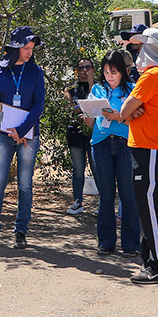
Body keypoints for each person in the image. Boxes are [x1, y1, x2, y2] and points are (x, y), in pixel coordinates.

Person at [121, 28, 158, 284]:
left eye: (141, 47)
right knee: (152, 208)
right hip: (156, 147)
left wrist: (132, 110)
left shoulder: (153, 75)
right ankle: (152, 262)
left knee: (153, 210)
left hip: (151, 148)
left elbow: (125, 110)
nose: (138, 52)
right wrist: (134, 109)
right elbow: (131, 110)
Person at [0, 26, 45, 249]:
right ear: (15, 48)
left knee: (25, 185)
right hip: (3, 134)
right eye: (26, 48)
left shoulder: (35, 72)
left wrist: (22, 130)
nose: (29, 52)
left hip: (28, 136)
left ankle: (21, 232)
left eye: (32, 48)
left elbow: (39, 104)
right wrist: (10, 130)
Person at [84, 50, 140, 257]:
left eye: (114, 72)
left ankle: (131, 244)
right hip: (101, 144)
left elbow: (139, 121)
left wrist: (119, 118)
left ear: (123, 72)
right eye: (106, 72)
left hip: (126, 145)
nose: (110, 76)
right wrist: (87, 112)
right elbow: (90, 123)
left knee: (128, 195)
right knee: (106, 195)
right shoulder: (97, 89)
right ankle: (106, 242)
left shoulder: (133, 90)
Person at [64, 57, 98, 215]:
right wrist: (84, 107)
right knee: (78, 168)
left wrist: (91, 85)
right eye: (81, 67)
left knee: (97, 168)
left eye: (88, 67)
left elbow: (96, 106)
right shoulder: (71, 87)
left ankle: (103, 202)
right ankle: (77, 201)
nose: (84, 70)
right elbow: (68, 107)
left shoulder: (98, 87)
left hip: (94, 133)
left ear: (93, 69)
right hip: (75, 132)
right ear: (76, 71)